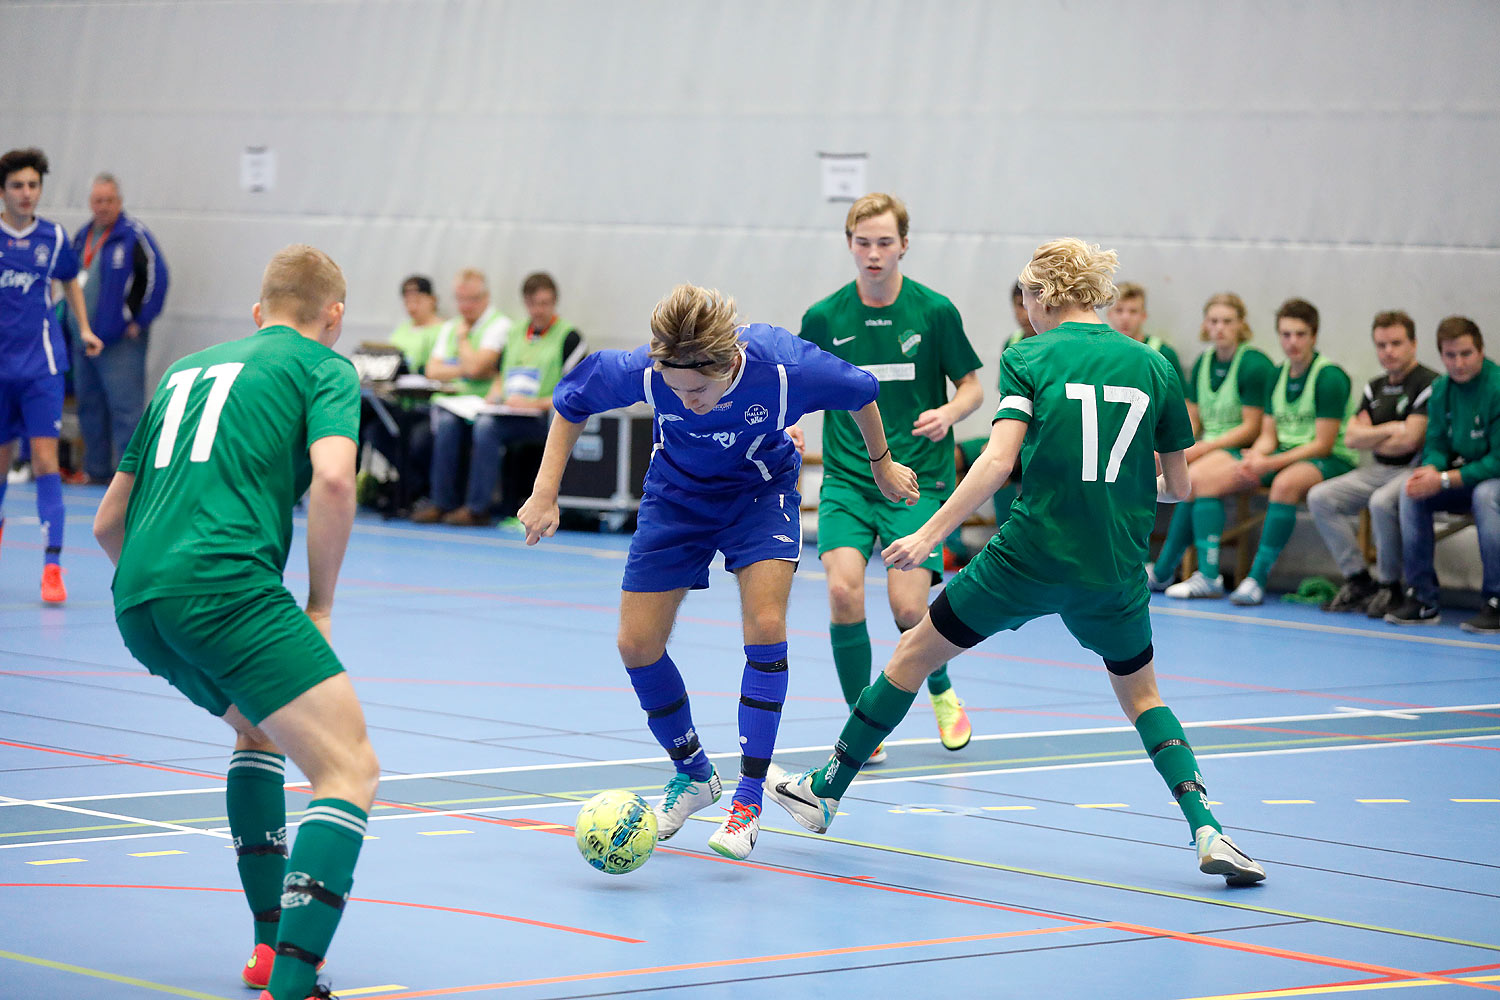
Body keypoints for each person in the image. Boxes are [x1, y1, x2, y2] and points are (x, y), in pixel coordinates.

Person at [766, 238, 1265, 887]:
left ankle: (826, 789)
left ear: (1045, 296)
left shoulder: (1028, 355)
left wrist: (929, 536)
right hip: (1115, 567)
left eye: (1027, 296)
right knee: (1143, 695)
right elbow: (1179, 487)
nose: (1025, 309)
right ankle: (1209, 828)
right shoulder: (1155, 366)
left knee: (912, 655)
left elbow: (999, 462)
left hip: (1029, 556)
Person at [518, 283, 919, 860]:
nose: (689, 400)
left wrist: (882, 466)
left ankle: (749, 799)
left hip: (759, 494)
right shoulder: (647, 370)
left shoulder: (785, 368)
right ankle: (694, 774)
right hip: (676, 498)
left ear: (731, 362)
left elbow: (863, 392)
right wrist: (544, 492)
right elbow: (571, 400)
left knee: (764, 624)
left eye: (699, 389)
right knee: (636, 644)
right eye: (677, 390)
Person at [92, 244, 378, 1000]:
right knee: (348, 770)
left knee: (258, 732)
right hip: (225, 589)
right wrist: (317, 603)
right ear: (335, 318)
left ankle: (264, 947)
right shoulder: (325, 367)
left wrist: (158, 588)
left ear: (259, 314)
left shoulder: (185, 369)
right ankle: (294, 982)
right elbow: (336, 480)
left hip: (139, 601)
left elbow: (106, 521)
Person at [799, 193, 984, 760]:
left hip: (916, 481)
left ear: (904, 245)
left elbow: (974, 386)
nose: (874, 253)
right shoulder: (825, 317)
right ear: (849, 244)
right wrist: (787, 426)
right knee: (841, 589)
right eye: (863, 242)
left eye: (884, 242)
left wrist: (951, 413)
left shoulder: (934, 312)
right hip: (850, 482)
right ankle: (864, 721)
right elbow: (796, 383)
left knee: (910, 610)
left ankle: (942, 687)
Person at [1164, 298, 1355, 605]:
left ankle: (1257, 579)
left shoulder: (1329, 376)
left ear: (1314, 336)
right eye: (1286, 334)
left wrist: (1270, 461)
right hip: (1284, 455)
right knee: (1203, 482)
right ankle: (1209, 577)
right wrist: (1257, 457)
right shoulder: (1278, 374)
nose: (1292, 342)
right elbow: (1267, 434)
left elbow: (1323, 444)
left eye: (1300, 334)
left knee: (1285, 484)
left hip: (1329, 459)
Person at [0, 146, 102, 603]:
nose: (26, 194)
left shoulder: (55, 238)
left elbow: (67, 285)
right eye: (18, 186)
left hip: (41, 366)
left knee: (44, 461)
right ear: (3, 191)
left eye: (33, 186)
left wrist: (83, 329)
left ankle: (53, 567)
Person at [1307, 311, 1437, 614]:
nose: (1388, 351)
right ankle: (1358, 579)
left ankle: (1389, 585)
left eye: (1395, 343)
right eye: (1381, 345)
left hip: (1413, 468)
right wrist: (1392, 428)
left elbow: (1410, 441)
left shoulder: (1428, 383)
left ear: (1413, 344)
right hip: (1378, 469)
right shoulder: (1374, 387)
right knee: (1320, 497)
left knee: (1381, 502)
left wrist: (1374, 435)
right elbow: (1351, 437)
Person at [1149, 294, 1276, 591]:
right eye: (1214, 321)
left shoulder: (1253, 363)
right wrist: (1176, 445)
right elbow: (1194, 419)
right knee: (1163, 468)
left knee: (1192, 481)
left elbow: (1251, 427)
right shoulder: (1204, 362)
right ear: (1206, 324)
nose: (1220, 328)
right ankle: (1164, 570)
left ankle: (1207, 574)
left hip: (1244, 449)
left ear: (1241, 325)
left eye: (1227, 321)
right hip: (1212, 447)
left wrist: (1203, 447)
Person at [1387, 316, 1500, 633]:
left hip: (1492, 478)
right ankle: (1422, 598)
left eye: (1466, 354)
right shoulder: (1440, 389)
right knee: (1412, 491)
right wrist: (1430, 471)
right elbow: (1436, 444)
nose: (1458, 363)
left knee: (1487, 494)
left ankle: (1496, 600)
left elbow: (1497, 461)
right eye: (1450, 356)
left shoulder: (1496, 387)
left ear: (1480, 351)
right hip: (1464, 476)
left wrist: (1446, 479)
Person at [63, 172, 169, 484]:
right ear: (90, 203)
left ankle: (129, 478)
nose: (103, 206)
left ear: (119, 202)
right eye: (98, 200)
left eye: (109, 200)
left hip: (120, 342)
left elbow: (157, 278)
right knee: (90, 408)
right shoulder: (82, 237)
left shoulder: (133, 235)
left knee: (125, 410)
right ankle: (96, 472)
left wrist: (138, 320)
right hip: (85, 339)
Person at [468, 271, 586, 523]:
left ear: (554, 303)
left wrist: (534, 404)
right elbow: (501, 375)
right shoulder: (514, 333)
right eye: (534, 304)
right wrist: (495, 394)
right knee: (485, 427)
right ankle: (478, 508)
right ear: (526, 303)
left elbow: (577, 394)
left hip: (549, 417)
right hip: (513, 415)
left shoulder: (570, 338)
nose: (539, 310)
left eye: (545, 303)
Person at [411, 268, 512, 524]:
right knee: (443, 423)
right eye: (460, 299)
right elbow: (433, 370)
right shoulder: (451, 326)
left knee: (485, 428)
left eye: (472, 300)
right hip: (453, 404)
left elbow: (479, 368)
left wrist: (464, 341)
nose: (465, 306)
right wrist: (467, 367)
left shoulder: (499, 325)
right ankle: (442, 502)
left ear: (486, 297)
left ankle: (477, 508)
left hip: (485, 406)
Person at [948, 281, 1037, 562]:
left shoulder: (1056, 344)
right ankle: (953, 549)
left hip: (1042, 439)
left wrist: (1004, 445)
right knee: (948, 457)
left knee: (996, 460)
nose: (1023, 312)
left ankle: (1011, 550)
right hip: (1014, 433)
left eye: (1027, 304)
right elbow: (1009, 403)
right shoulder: (1011, 344)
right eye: (1017, 304)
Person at [357, 275, 444, 512]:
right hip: (400, 403)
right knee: (370, 426)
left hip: (429, 406)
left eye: (417, 298)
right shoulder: (401, 332)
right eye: (407, 299)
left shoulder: (443, 331)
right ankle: (404, 485)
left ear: (432, 300)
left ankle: (416, 487)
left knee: (415, 437)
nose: (412, 304)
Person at [1106, 282, 1187, 391]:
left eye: (1133, 311)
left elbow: (1183, 401)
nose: (1125, 317)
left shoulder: (1163, 353)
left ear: (1144, 316)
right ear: (1109, 314)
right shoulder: (1100, 352)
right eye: (1119, 310)